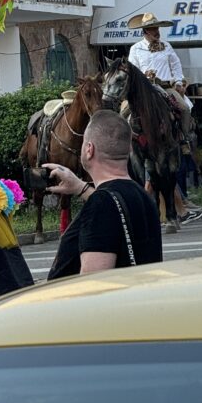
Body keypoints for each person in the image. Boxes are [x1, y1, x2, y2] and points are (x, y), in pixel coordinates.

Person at [44, 109, 162, 279]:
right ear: (129, 149)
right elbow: (115, 207)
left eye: (84, 142)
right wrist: (80, 187)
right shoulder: (142, 196)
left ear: (89, 149)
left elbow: (94, 285)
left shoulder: (101, 205)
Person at [127, 12, 191, 131]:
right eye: (153, 29)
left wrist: (178, 81)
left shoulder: (166, 46)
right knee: (124, 112)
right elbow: (132, 70)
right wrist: (142, 77)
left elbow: (176, 64)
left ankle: (184, 140)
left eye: (157, 28)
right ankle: (127, 141)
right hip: (144, 89)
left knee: (185, 109)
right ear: (145, 31)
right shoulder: (136, 48)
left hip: (166, 87)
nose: (157, 31)